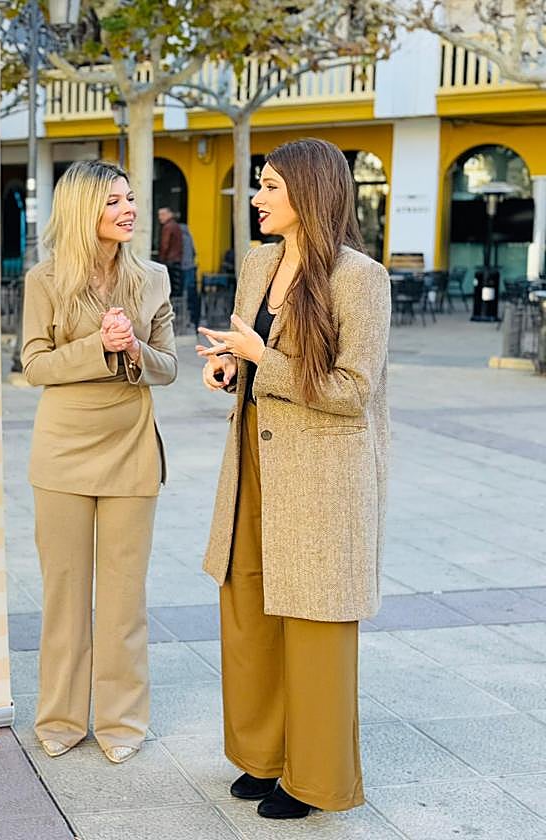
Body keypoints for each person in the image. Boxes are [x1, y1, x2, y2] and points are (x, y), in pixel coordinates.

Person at [196, 138, 390, 820]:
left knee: (312, 622)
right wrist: (230, 368)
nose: (257, 198)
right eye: (259, 185)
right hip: (252, 458)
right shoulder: (258, 262)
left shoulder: (359, 277)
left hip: (320, 471)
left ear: (309, 193)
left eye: (271, 187)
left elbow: (353, 390)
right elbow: (250, 360)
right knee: (248, 606)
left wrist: (261, 361)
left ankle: (313, 779)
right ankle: (265, 757)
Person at [21, 159, 177, 765]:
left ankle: (122, 722)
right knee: (64, 595)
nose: (129, 209)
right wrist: (97, 346)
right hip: (62, 451)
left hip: (132, 447)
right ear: (85, 209)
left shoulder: (154, 279)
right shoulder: (45, 280)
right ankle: (60, 717)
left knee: (123, 598)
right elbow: (34, 366)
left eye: (131, 198)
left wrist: (134, 349)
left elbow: (168, 367)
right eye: (114, 201)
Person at [157, 206, 183, 297]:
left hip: (169, 261)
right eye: (159, 215)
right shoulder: (176, 226)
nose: (160, 217)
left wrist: (161, 260)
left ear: (169, 214)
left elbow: (165, 245)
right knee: (176, 289)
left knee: (168, 288)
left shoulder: (167, 227)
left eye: (162, 214)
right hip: (177, 260)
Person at [178, 220, 199, 330]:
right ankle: (192, 318)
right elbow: (194, 252)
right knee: (190, 293)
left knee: (184, 294)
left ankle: (186, 317)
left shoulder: (182, 238)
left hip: (184, 268)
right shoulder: (189, 237)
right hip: (190, 267)